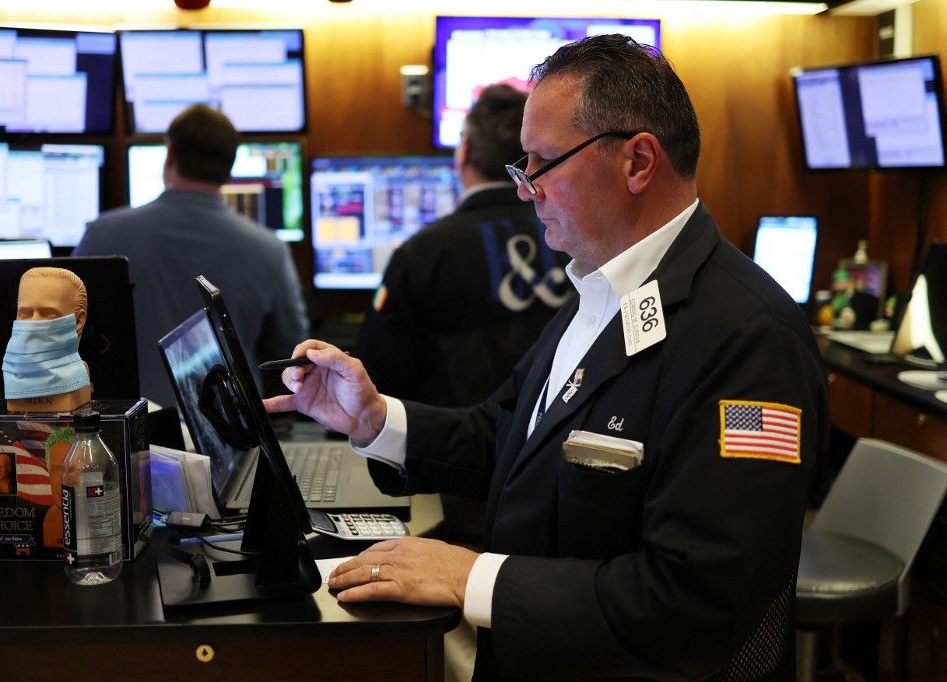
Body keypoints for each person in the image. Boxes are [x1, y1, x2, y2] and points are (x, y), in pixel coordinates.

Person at [264, 34, 828, 680]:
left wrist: (474, 579)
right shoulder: (600, 290)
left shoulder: (751, 341)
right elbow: (506, 436)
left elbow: (696, 602)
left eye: (541, 163)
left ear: (638, 162)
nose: (526, 189)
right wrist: (373, 420)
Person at [73, 103, 308, 408]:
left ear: (170, 154)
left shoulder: (101, 235)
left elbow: (65, 336)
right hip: (231, 434)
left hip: (130, 435)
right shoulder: (270, 249)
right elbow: (291, 350)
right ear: (230, 167)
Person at [356, 84, 571, 409]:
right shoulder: (571, 236)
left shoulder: (423, 254)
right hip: (555, 438)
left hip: (450, 446)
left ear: (464, 152)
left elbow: (379, 380)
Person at [3, 267, 91, 413]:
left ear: (78, 321)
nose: (34, 323)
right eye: (25, 313)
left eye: (49, 314)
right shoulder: (12, 377)